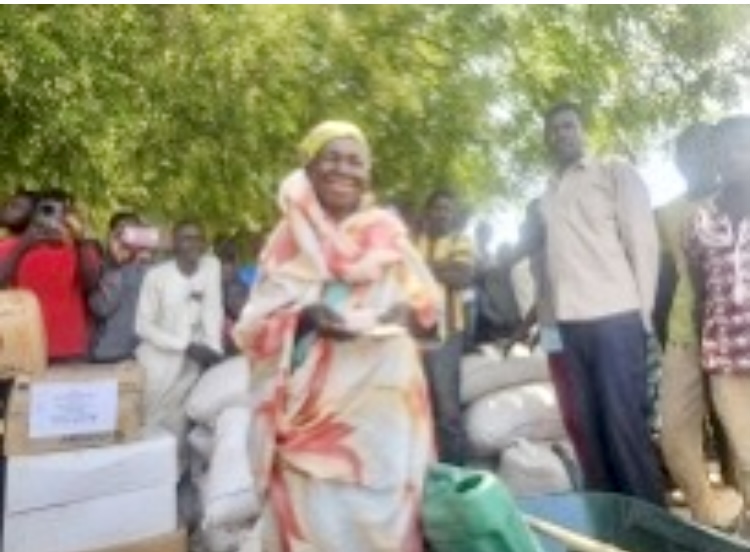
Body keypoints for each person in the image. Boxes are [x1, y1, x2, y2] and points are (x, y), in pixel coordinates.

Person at [233, 121, 439, 552]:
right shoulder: (286, 241)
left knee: (385, 529)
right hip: (310, 420)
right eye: (331, 157)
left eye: (354, 160)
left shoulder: (387, 233)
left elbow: (430, 315)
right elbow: (252, 330)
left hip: (386, 425)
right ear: (308, 167)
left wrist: (406, 314)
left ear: (368, 173)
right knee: (317, 525)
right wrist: (306, 319)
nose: (342, 169)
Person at [537, 101, 664, 505]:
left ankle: (652, 530)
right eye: (554, 130)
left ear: (583, 129)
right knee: (590, 436)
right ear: (548, 140)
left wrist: (642, 317)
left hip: (616, 320)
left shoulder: (613, 173)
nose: (562, 135)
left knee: (624, 431)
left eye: (569, 126)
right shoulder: (548, 195)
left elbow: (643, 243)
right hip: (571, 327)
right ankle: (613, 532)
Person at [657, 123, 742, 527]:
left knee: (739, 437)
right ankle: (712, 516)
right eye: (683, 152)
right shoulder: (672, 214)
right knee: (675, 434)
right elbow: (672, 277)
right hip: (687, 333)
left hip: (733, 333)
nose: (695, 158)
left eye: (703, 148)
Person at [688, 115, 750, 531]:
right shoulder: (701, 219)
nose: (733, 155)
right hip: (726, 356)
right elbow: (700, 287)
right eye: (724, 149)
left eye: (742, 145)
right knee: (746, 453)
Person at [135, 220, 224, 438]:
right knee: (152, 424)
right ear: (174, 244)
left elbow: (212, 311)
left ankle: (180, 470)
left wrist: (214, 351)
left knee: (182, 424)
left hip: (192, 361)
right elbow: (142, 326)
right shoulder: (156, 277)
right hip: (159, 362)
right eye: (186, 238)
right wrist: (184, 346)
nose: (193, 244)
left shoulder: (211, 267)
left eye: (198, 238)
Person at [0, 189, 101, 362]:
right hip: (22, 349)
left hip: (70, 351)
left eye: (58, 210)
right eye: (45, 210)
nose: (51, 216)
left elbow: (91, 283)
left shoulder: (80, 248)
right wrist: (25, 244)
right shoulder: (10, 246)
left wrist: (82, 238)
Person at [415, 189, 474, 465]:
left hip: (447, 332)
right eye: (437, 208)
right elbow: (399, 274)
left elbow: (462, 277)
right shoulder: (415, 241)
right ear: (427, 213)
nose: (442, 214)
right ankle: (426, 470)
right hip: (413, 335)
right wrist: (440, 268)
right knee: (417, 402)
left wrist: (420, 266)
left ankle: (457, 474)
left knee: (447, 408)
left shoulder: (461, 240)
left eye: (448, 210)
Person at [89, 212, 151, 363]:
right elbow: (101, 307)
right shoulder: (100, 266)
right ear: (111, 235)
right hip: (108, 354)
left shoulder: (150, 268)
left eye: (133, 231)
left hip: (142, 354)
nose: (126, 238)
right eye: (121, 232)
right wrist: (116, 266)